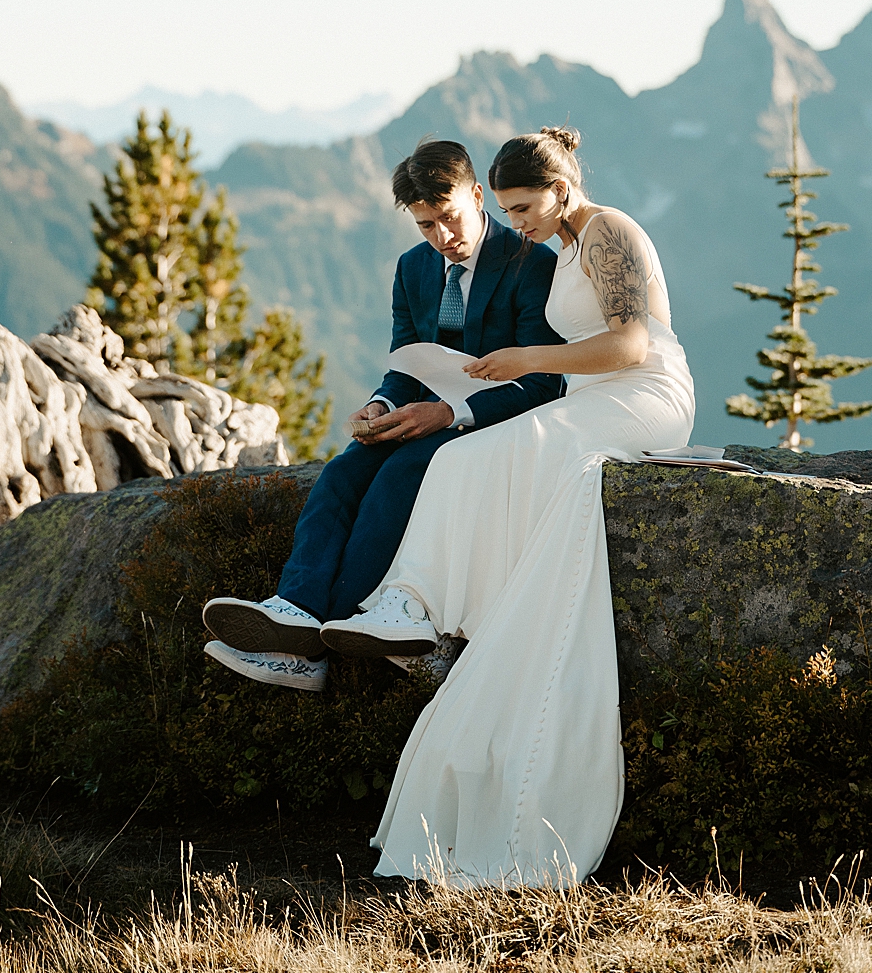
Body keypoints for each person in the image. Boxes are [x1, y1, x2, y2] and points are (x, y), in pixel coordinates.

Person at [320, 126, 695, 885]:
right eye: (511, 209)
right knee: (463, 459)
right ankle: (414, 606)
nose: (517, 221)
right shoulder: (560, 245)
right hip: (593, 396)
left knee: (490, 453)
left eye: (526, 207)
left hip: (644, 396)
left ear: (564, 188)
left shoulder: (610, 230)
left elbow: (630, 346)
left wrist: (526, 359)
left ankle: (421, 603)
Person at [201, 139, 565, 692]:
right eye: (425, 226)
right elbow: (404, 362)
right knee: (344, 471)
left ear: (475, 194)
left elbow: (544, 381)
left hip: (493, 420)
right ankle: (294, 611)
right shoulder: (413, 268)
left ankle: (326, 637)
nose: (441, 238)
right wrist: (383, 404)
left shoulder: (531, 263)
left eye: (448, 218)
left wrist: (447, 412)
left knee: (399, 474)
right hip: (425, 411)